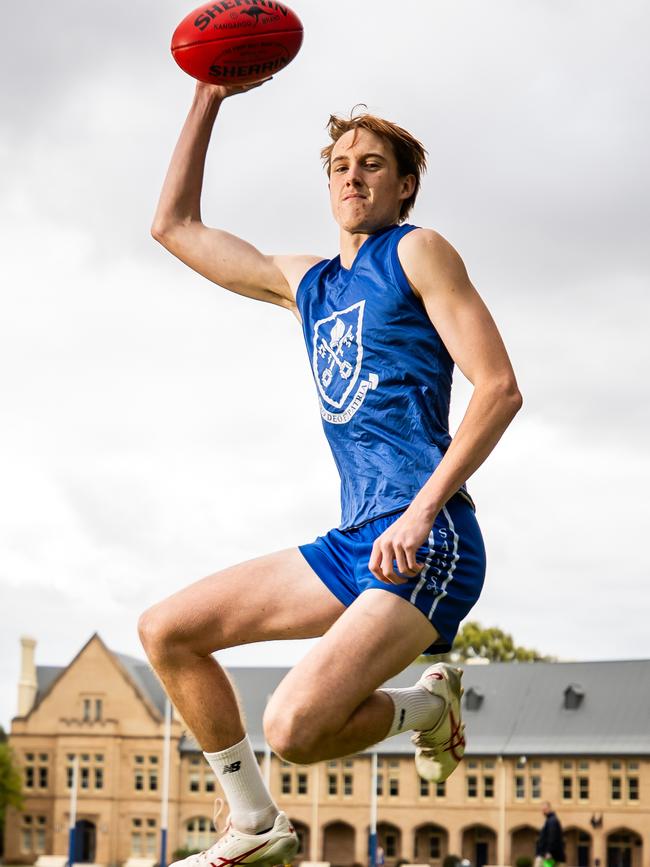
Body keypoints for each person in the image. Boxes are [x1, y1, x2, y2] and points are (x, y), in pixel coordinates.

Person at [139, 77, 522, 867]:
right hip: (355, 540)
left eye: (374, 164)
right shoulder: (306, 285)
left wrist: (419, 512)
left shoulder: (416, 251)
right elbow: (172, 226)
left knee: (293, 728)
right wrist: (211, 94)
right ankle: (254, 822)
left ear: (405, 184)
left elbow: (499, 388)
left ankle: (423, 712)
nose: (353, 176)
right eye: (341, 164)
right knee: (167, 631)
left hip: (430, 537)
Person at [535, 802, 566, 867]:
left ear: (549, 808)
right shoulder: (550, 820)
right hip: (550, 855)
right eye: (542, 810)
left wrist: (549, 851)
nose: (543, 811)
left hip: (549, 856)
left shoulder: (552, 821)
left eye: (545, 809)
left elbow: (552, 837)